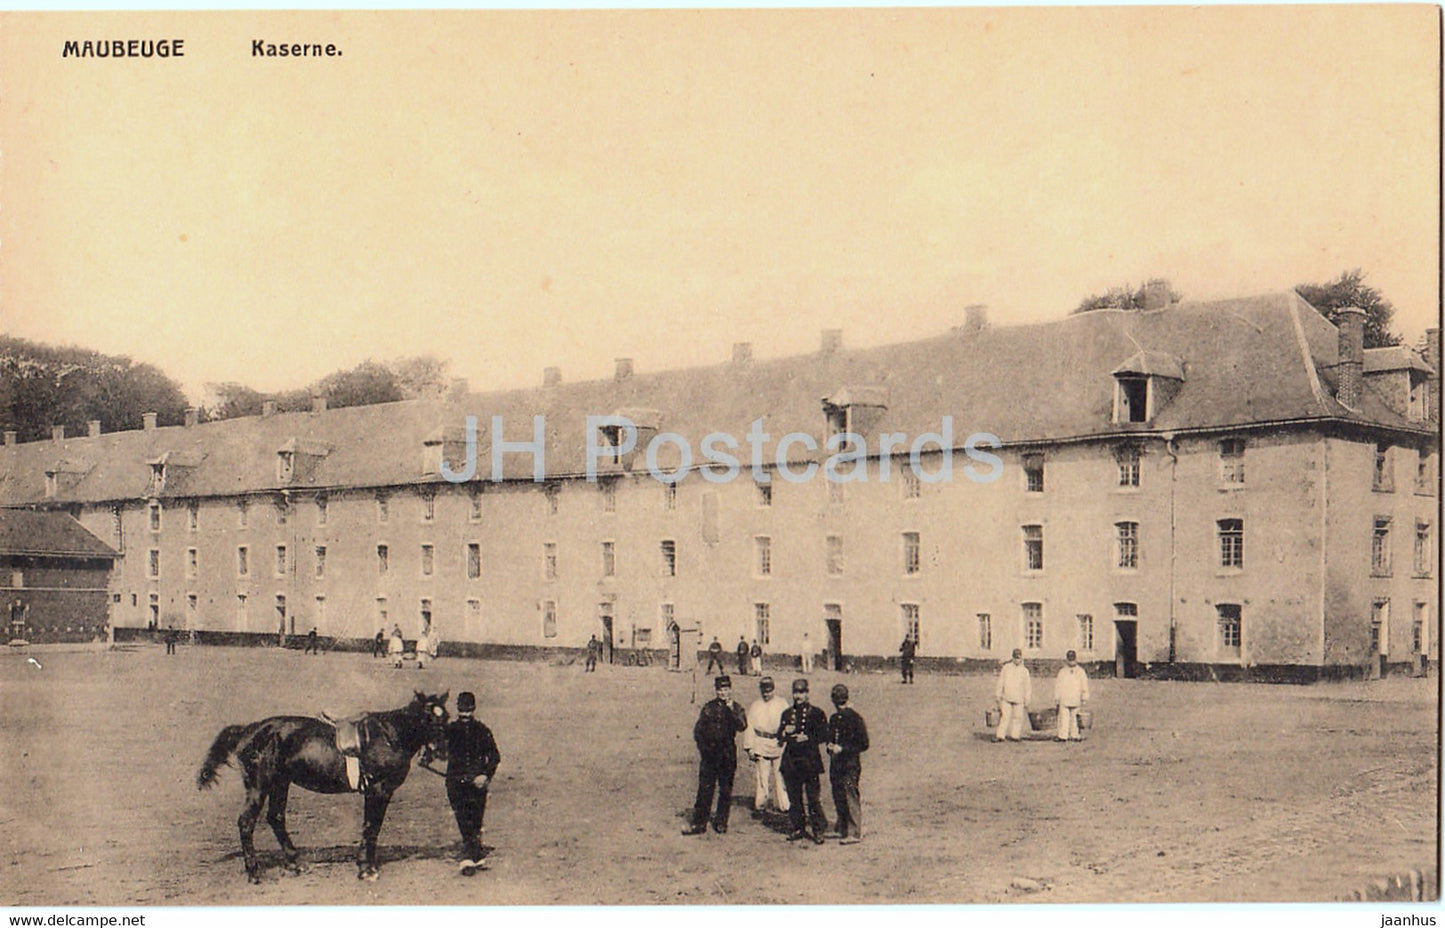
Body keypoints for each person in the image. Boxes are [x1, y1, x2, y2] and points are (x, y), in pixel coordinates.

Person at [439, 691, 500, 875]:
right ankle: (470, 857)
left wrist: (485, 775)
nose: (465, 715)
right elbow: (440, 750)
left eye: (468, 711)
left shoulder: (482, 730)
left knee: (475, 818)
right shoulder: (450, 730)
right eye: (462, 711)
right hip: (455, 782)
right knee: (463, 818)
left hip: (477, 783)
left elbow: (495, 757)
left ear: (474, 709)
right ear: (457, 709)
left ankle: (474, 853)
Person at [682, 675, 747, 835]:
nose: (723, 693)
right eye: (720, 690)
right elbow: (698, 731)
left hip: (727, 755)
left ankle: (721, 821)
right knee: (705, 789)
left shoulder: (737, 708)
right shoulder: (709, 708)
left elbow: (742, 726)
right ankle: (700, 822)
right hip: (710, 755)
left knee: (725, 790)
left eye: (726, 689)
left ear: (730, 690)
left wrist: (731, 709)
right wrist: (704, 749)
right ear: (716, 691)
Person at [777, 678, 829, 844]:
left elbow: (824, 735)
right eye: (795, 692)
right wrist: (784, 732)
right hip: (791, 761)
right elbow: (779, 736)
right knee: (794, 798)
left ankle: (818, 830)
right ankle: (798, 827)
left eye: (801, 692)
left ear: (807, 693)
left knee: (813, 798)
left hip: (809, 761)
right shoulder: (787, 714)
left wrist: (808, 737)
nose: (798, 696)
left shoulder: (817, 713)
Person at [826, 683, 869, 844]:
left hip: (850, 764)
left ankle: (855, 831)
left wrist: (842, 749)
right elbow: (830, 736)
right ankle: (843, 827)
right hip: (836, 764)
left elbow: (863, 744)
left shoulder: (855, 718)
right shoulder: (834, 718)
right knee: (838, 795)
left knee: (850, 795)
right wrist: (829, 746)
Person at [742, 676, 790, 815]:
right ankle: (761, 804)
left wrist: (786, 740)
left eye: (769, 691)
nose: (766, 694)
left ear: (773, 690)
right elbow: (749, 727)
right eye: (764, 691)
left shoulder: (782, 704)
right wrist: (749, 747)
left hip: (778, 743)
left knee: (780, 775)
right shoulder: (756, 705)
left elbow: (788, 723)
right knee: (762, 776)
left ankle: (784, 805)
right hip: (761, 743)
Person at [994, 648, 1032, 742]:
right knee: (1005, 717)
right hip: (1006, 697)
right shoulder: (1006, 668)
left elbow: (1027, 686)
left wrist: (1027, 700)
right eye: (1015, 657)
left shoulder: (1024, 671)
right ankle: (1000, 735)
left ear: (1021, 658)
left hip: (1019, 698)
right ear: (1012, 657)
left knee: (1018, 717)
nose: (1017, 660)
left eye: (1018, 658)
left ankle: (1015, 735)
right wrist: (998, 695)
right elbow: (1001, 682)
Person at [1054, 650, 1091, 742]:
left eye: (1072, 658)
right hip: (1064, 698)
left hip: (1076, 698)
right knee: (1063, 718)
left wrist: (1084, 697)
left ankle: (1075, 735)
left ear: (1076, 659)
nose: (1071, 661)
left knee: (1075, 718)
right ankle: (1063, 735)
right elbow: (1058, 686)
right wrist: (1057, 698)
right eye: (1069, 659)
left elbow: (1084, 685)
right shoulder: (1062, 672)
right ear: (1066, 659)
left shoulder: (1081, 672)